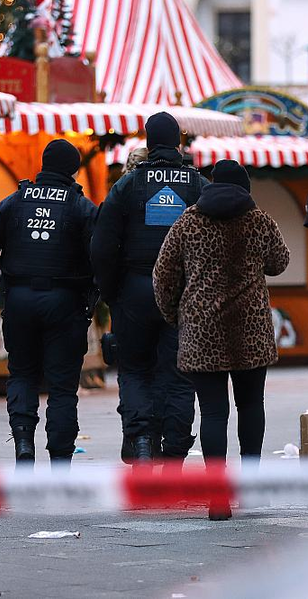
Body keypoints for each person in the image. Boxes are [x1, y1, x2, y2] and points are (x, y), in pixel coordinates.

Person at [153, 160, 290, 519]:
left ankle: (217, 498)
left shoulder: (188, 222)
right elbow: (280, 262)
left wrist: (176, 316)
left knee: (213, 412)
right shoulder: (260, 220)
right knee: (251, 406)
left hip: (202, 330)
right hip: (250, 329)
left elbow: (163, 276)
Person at [0, 139, 97, 470]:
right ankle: (60, 461)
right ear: (73, 169)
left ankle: (23, 445)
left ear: (44, 165)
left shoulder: (14, 202)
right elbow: (101, 254)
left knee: (22, 374)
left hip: (18, 301)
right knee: (62, 387)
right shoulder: (81, 206)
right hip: (66, 303)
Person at [91, 112, 206, 464]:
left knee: (135, 369)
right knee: (180, 375)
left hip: (135, 289)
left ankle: (140, 441)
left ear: (147, 141)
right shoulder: (197, 184)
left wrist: (111, 293)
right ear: (179, 142)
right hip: (183, 293)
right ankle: (173, 453)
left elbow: (103, 244)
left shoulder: (128, 185)